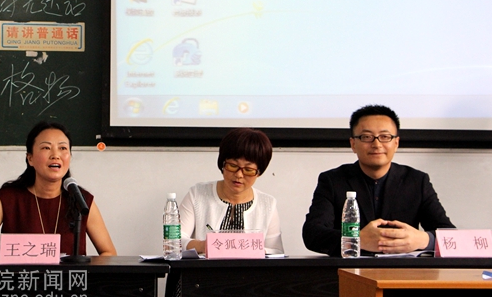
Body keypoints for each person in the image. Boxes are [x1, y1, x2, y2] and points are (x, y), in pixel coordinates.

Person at [302, 104, 455, 257]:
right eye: (366, 137)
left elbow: (451, 236)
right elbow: (312, 234)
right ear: (353, 144)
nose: (376, 144)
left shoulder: (417, 181)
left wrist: (423, 240)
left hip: (402, 270)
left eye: (385, 137)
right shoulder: (333, 181)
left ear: (396, 143)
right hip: (349, 269)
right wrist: (357, 240)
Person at [0, 121, 116, 256]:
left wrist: (86, 270)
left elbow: (109, 253)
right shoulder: (9, 199)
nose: (55, 155)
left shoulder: (81, 200)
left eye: (63, 148)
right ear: (30, 158)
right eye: (46, 148)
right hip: (21, 282)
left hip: (68, 284)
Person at [180, 127, 283, 254]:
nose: (239, 175)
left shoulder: (267, 204)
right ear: (222, 164)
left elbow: (276, 252)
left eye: (248, 170)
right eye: (233, 166)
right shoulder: (197, 194)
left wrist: (248, 249)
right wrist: (205, 245)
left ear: (259, 172)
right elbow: (175, 241)